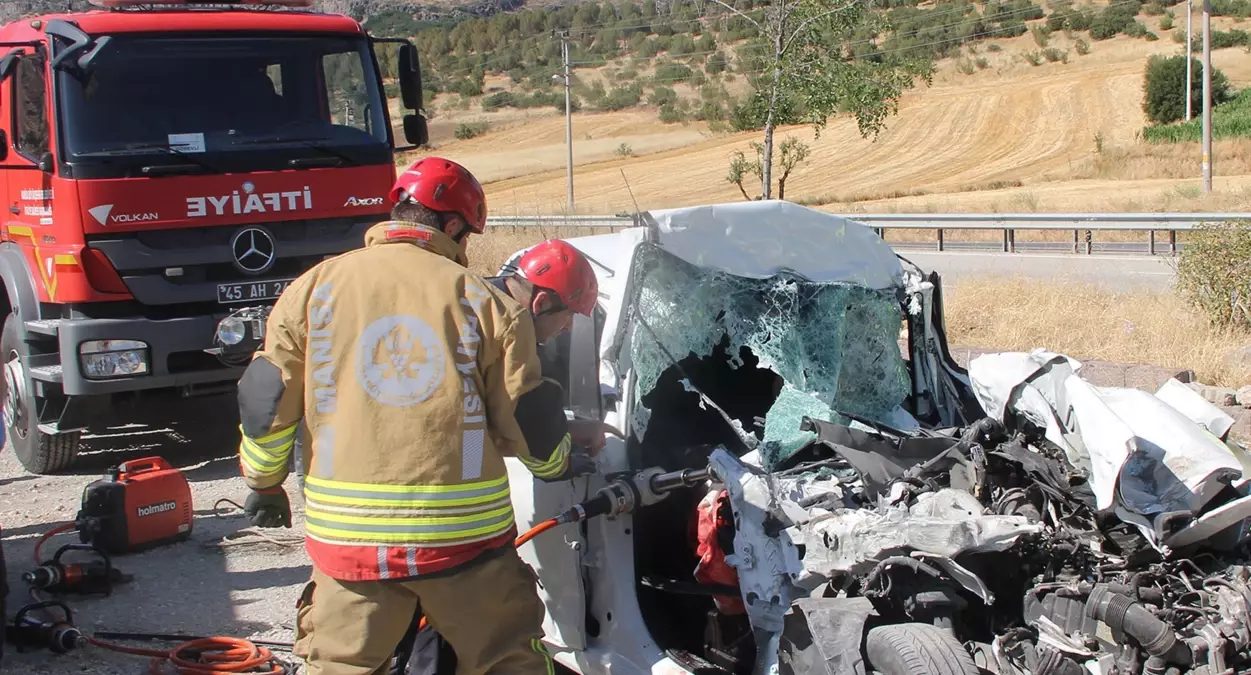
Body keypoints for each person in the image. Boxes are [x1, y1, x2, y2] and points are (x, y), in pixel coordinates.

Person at [234, 156, 603, 675]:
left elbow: (266, 401)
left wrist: (264, 481)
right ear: (452, 226)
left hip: (350, 543)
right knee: (508, 661)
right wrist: (558, 464)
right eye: (466, 237)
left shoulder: (311, 290)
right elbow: (526, 418)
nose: (464, 250)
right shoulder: (486, 304)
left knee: (339, 665)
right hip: (463, 544)